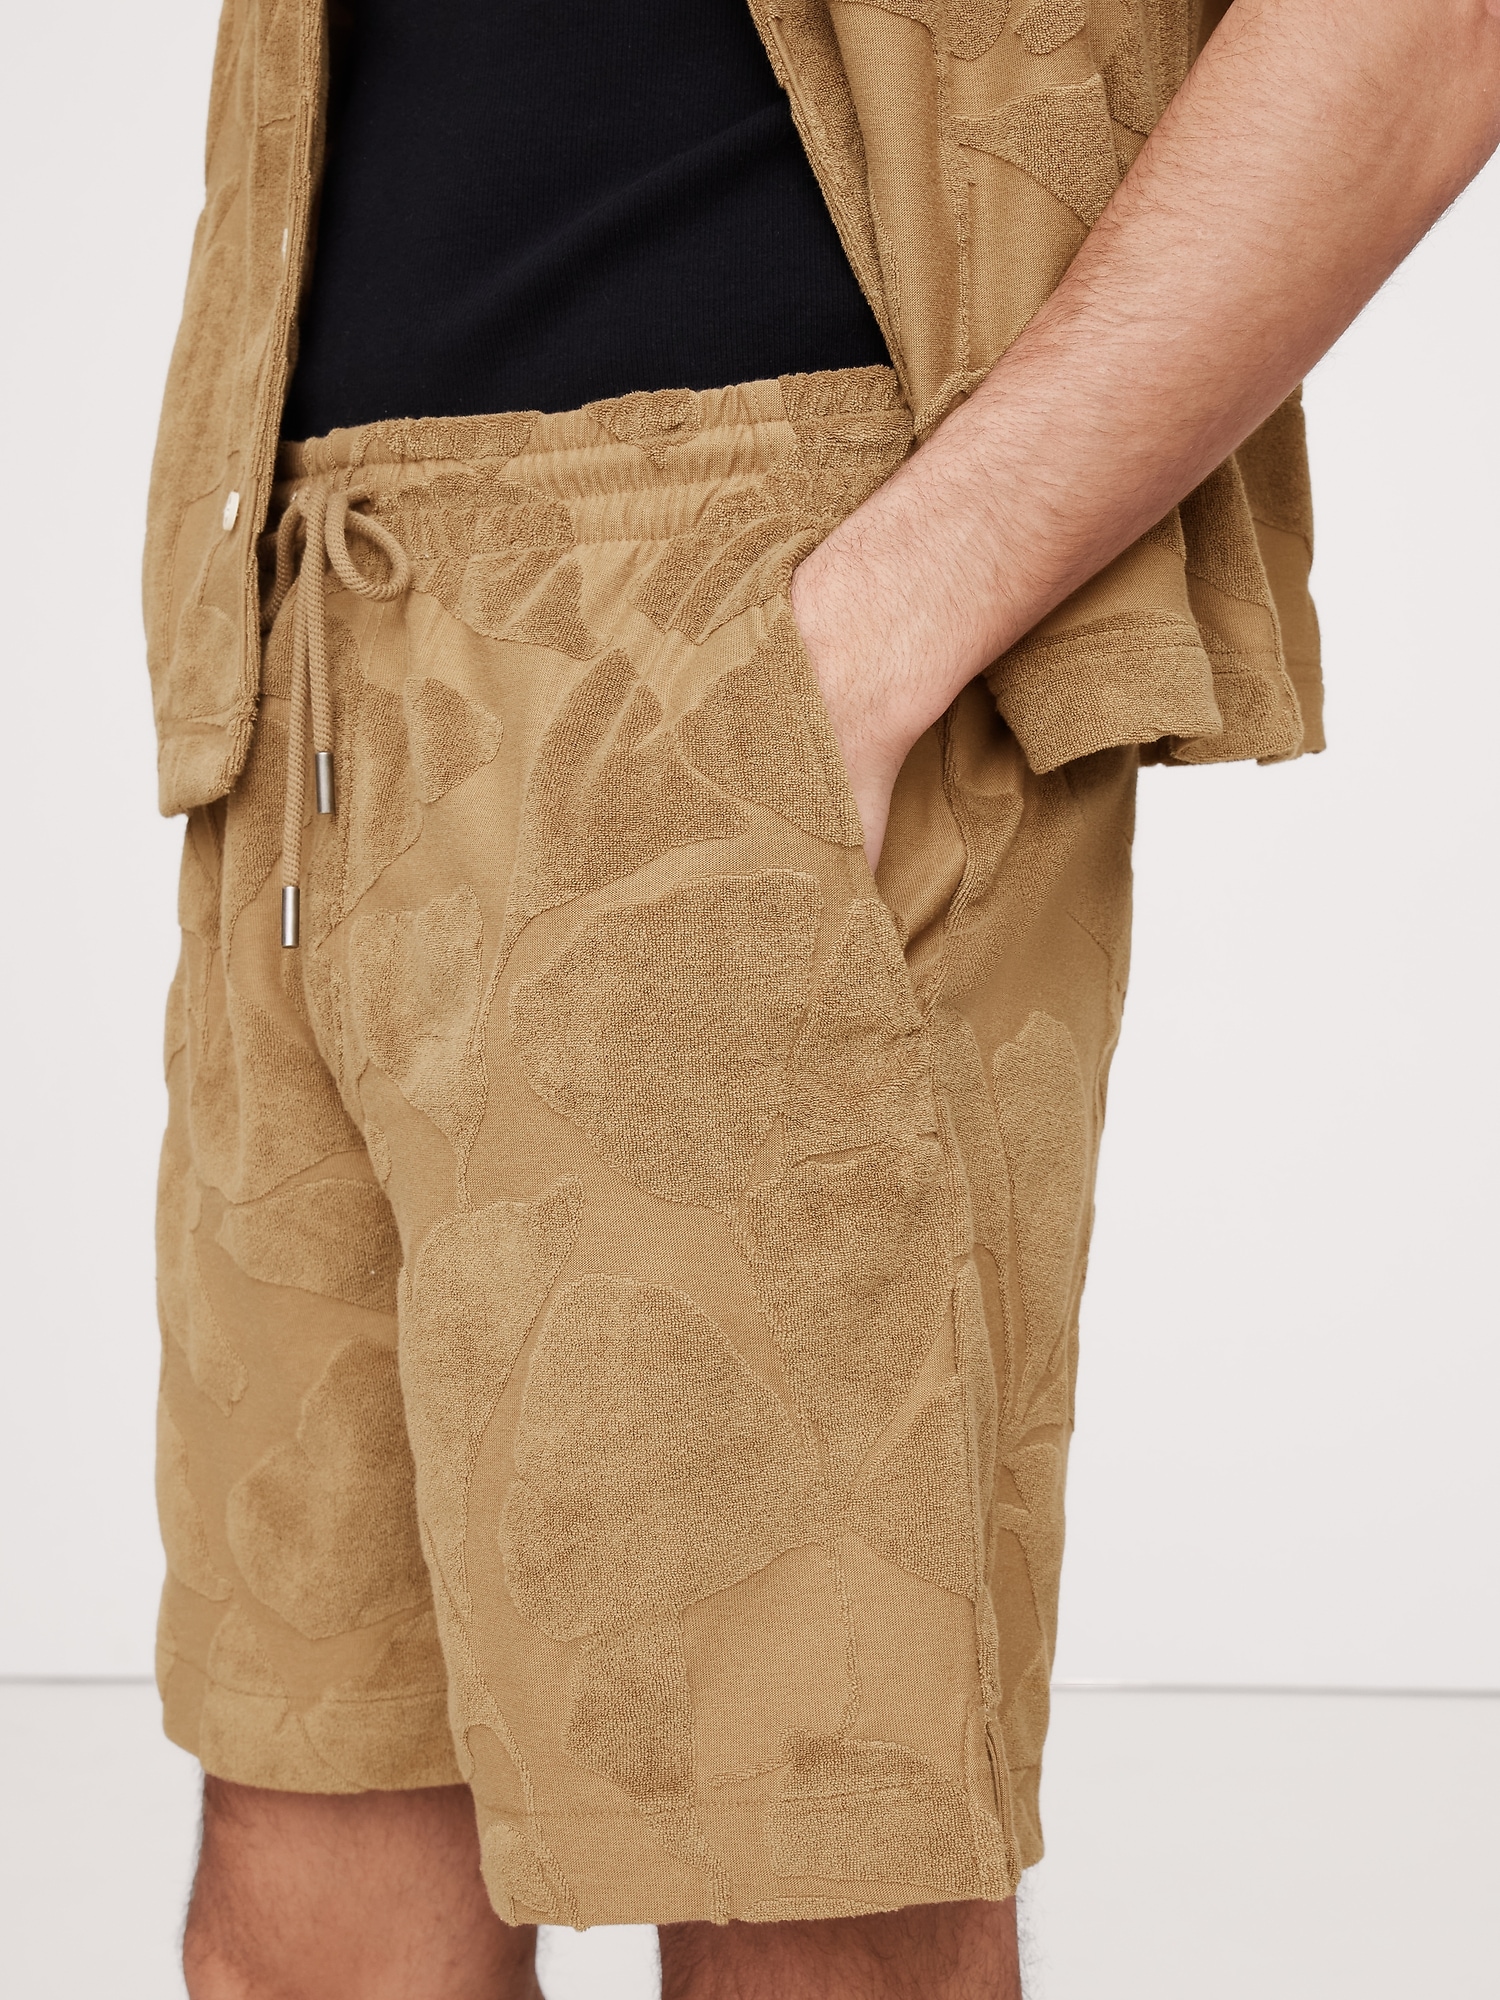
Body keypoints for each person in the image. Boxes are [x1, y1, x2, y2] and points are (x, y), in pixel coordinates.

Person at [143, 0, 1500, 1994]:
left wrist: (874, 633)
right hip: (308, 642)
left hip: (739, 592)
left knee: (813, 1884)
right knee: (305, 1891)